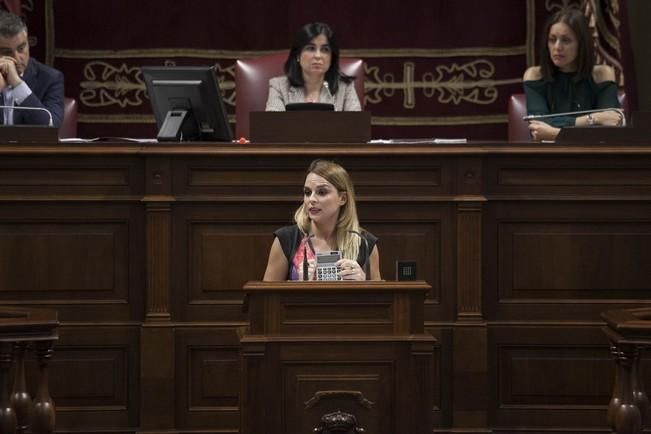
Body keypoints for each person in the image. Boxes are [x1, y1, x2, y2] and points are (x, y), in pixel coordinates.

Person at [263, 159, 380, 281]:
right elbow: (268, 298)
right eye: (307, 192)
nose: (311, 199)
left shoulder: (364, 243)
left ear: (343, 198)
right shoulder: (287, 239)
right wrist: (298, 286)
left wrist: (364, 285)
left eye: (322, 192)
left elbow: (379, 299)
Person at [523, 7, 623, 141]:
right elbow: (538, 127)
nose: (557, 47)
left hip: (594, 156)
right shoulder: (535, 76)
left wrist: (555, 133)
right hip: (549, 157)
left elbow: (610, 128)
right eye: (552, 40)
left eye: (566, 40)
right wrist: (594, 118)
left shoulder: (602, 75)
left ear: (581, 44)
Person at [265, 22, 361, 112]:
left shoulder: (345, 88)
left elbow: (356, 126)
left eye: (325, 49)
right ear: (298, 55)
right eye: (311, 48)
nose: (318, 56)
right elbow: (273, 126)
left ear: (332, 57)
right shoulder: (279, 87)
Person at [0, 9, 64, 127]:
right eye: (6, 52)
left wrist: (18, 85)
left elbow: (51, 127)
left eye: (21, 48)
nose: (17, 58)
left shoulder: (50, 78)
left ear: (28, 44)